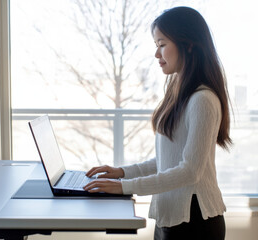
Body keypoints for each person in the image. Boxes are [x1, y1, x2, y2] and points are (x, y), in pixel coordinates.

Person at [84, 6, 231, 240]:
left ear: (189, 44)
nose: (157, 54)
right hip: (172, 216)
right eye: (156, 46)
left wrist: (124, 187)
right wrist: (121, 173)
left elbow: (189, 171)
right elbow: (167, 160)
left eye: (162, 44)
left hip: (194, 222)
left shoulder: (203, 99)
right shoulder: (178, 92)